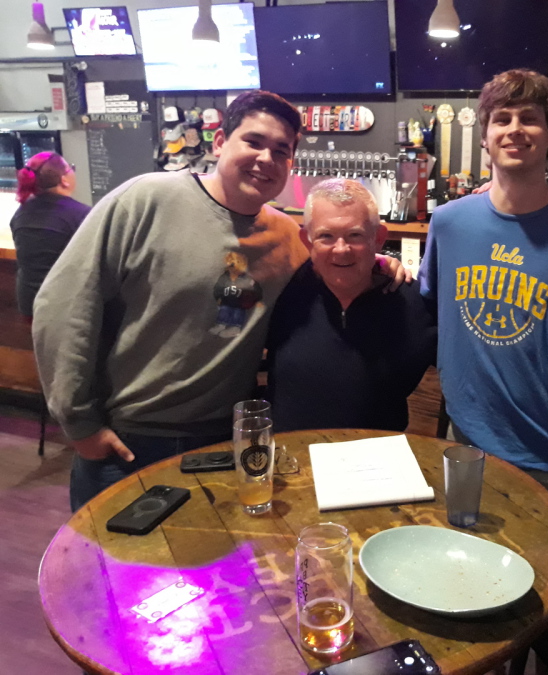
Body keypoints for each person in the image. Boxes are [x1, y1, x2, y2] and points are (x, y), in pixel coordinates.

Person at [32, 91, 405, 512]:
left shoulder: (287, 237)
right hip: (129, 440)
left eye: (280, 151)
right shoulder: (145, 200)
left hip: (228, 440)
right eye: (253, 142)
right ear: (220, 142)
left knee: (218, 554)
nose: (265, 158)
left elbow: (336, 262)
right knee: (113, 556)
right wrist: (79, 422)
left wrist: (378, 263)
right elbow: (63, 306)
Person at [419, 69, 548, 538]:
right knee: (459, 566)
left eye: (529, 118)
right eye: (501, 119)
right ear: (484, 136)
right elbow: (428, 302)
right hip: (466, 444)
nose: (514, 130)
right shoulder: (447, 223)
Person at [267, 178, 436, 432]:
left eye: (355, 235)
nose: (341, 249)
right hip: (289, 452)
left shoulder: (413, 304)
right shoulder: (282, 288)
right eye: (326, 236)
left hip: (377, 453)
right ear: (307, 240)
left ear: (378, 239)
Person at [10, 152, 89, 317]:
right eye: (71, 169)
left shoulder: (20, 213)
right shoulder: (82, 215)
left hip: (29, 304)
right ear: (64, 180)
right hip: (62, 305)